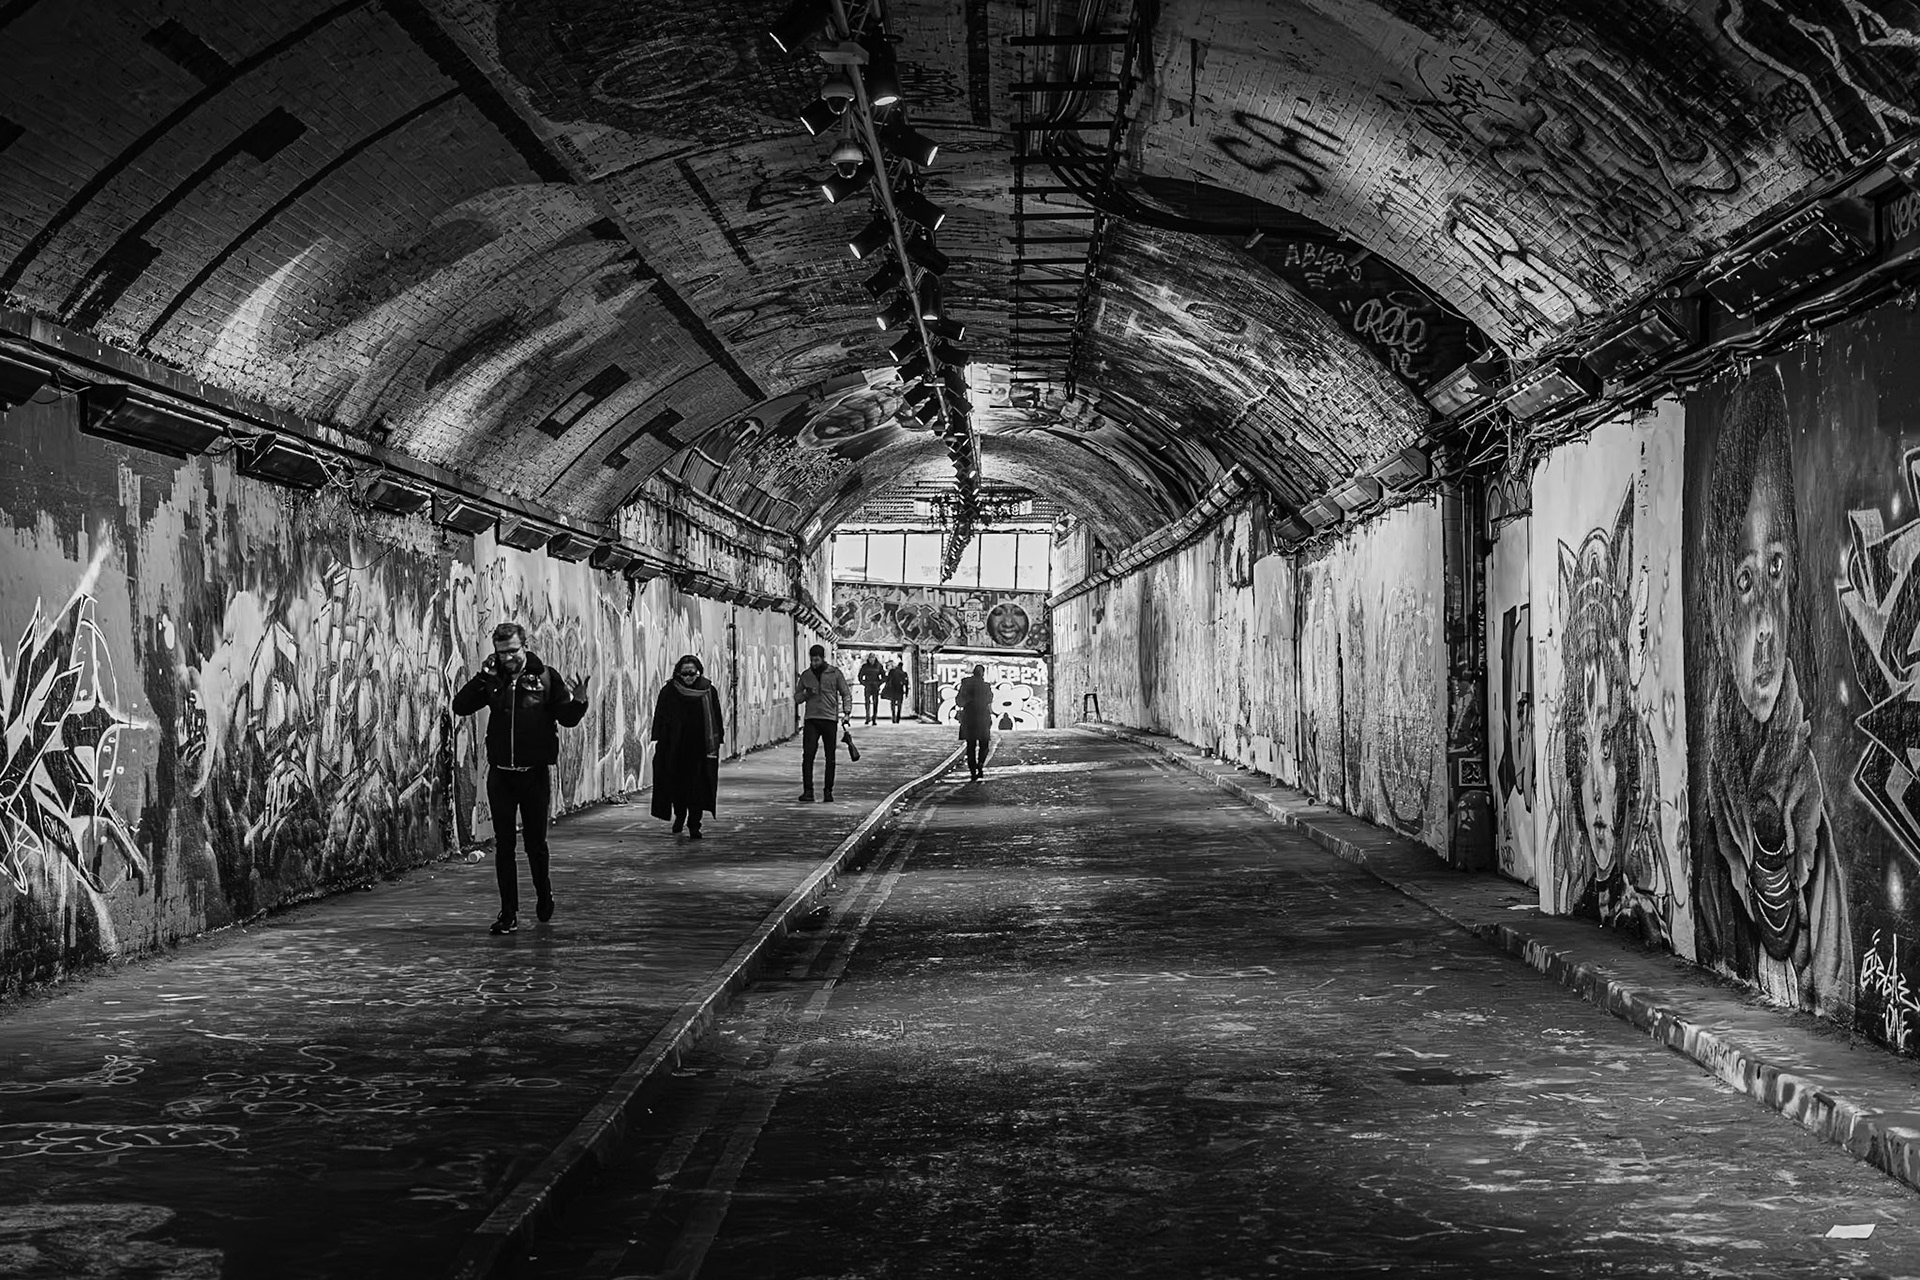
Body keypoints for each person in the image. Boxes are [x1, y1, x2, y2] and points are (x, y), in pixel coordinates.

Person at [452, 622, 590, 934]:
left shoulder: (545, 677)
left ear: (524, 646)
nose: (507, 658)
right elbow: (461, 706)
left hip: (534, 775)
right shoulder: (493, 679)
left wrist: (580, 702)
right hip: (501, 776)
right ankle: (508, 913)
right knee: (504, 846)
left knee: (535, 844)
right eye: (501, 652)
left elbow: (567, 718)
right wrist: (482, 677)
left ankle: (544, 894)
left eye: (513, 651)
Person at [650, 653, 724, 840]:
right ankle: (680, 815)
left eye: (692, 673)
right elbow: (660, 717)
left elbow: (716, 716)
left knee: (698, 789)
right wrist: (660, 741)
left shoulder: (708, 690)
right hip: (674, 749)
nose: (689, 677)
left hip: (700, 750)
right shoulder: (669, 691)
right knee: (677, 787)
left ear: (698, 672)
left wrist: (717, 740)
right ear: (678, 673)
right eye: (685, 674)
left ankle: (694, 824)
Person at [795, 644, 852, 802]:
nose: (814, 663)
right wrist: (806, 694)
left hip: (829, 719)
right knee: (808, 756)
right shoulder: (806, 675)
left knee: (830, 757)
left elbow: (846, 693)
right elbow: (797, 698)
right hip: (811, 719)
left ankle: (828, 792)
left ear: (822, 658)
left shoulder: (834, 673)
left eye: (817, 660)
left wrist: (847, 713)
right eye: (812, 660)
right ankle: (808, 791)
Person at [954, 663, 994, 780]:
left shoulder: (965, 685)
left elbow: (959, 701)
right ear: (982, 674)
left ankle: (972, 771)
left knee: (970, 746)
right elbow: (989, 699)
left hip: (969, 718)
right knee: (984, 744)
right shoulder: (985, 686)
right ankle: (980, 763)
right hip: (982, 718)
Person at [857, 652, 886, 726]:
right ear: (868, 659)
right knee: (867, 702)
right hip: (868, 686)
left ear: (875, 658)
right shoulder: (865, 666)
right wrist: (864, 683)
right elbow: (860, 676)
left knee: (875, 703)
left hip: (875, 686)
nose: (871, 660)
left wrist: (879, 683)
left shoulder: (879, 666)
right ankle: (867, 718)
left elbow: (884, 677)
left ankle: (874, 719)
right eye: (870, 658)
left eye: (873, 658)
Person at [882, 659, 910, 724]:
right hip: (900, 690)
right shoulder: (904, 673)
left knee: (893, 703)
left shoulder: (892, 671)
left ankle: (893, 717)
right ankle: (898, 718)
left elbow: (888, 680)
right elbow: (906, 684)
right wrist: (906, 693)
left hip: (893, 690)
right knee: (899, 705)